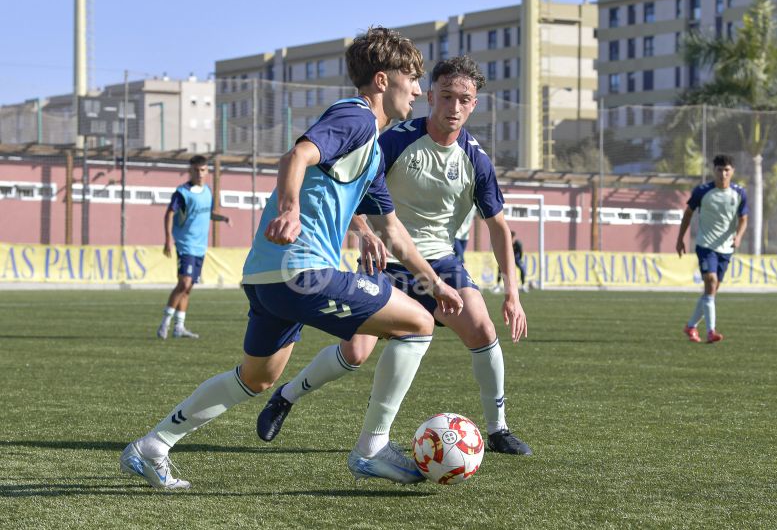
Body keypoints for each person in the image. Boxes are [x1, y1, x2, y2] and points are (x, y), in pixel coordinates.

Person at [120, 27, 463, 490]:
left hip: (266, 276)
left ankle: (152, 446)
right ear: (382, 80)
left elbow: (393, 230)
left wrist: (435, 284)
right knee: (417, 325)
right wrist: (289, 207)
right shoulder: (357, 117)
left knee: (257, 378)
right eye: (413, 79)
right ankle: (372, 448)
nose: (419, 91)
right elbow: (297, 155)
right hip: (304, 271)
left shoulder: (372, 152)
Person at [256, 55, 532, 456]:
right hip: (386, 262)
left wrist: (513, 293)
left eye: (464, 99)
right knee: (355, 353)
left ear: (474, 104)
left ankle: (498, 428)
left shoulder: (476, 159)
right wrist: (366, 233)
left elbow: (498, 227)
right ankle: (287, 396)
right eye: (447, 96)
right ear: (431, 95)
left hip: (440, 262)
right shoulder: (394, 140)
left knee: (483, 330)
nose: (454, 107)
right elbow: (349, 189)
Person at [156, 155, 230, 339]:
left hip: (200, 246)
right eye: (196, 170)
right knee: (184, 283)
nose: (200, 173)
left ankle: (179, 327)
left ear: (207, 171)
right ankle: (164, 323)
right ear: (190, 171)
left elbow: (209, 214)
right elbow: (169, 214)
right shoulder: (182, 193)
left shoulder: (207, 192)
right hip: (185, 244)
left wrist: (223, 218)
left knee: (188, 288)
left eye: (203, 170)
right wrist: (168, 239)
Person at [676, 154, 748, 343]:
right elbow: (688, 214)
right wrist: (680, 239)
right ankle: (711, 331)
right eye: (719, 170)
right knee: (710, 280)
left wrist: (739, 236)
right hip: (705, 245)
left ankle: (691, 326)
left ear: (732, 171)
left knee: (711, 290)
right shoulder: (702, 191)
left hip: (726, 249)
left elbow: (743, 219)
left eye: (727, 170)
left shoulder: (739, 193)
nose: (723, 173)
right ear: (713, 170)